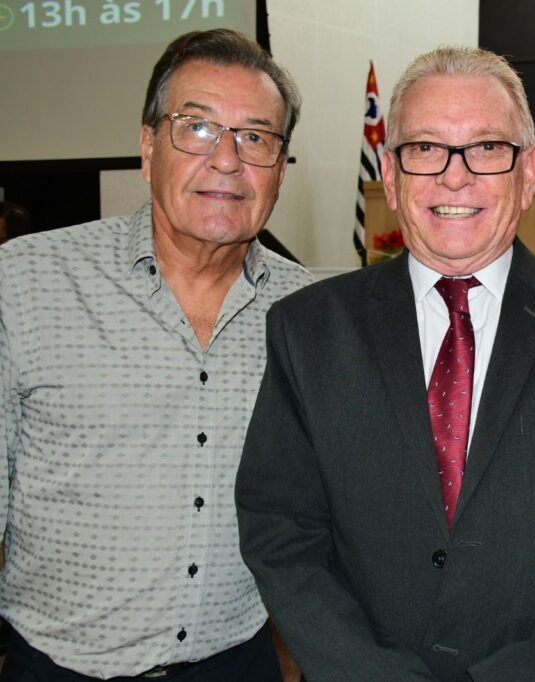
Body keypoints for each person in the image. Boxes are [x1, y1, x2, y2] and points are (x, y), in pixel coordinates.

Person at [235, 45, 535, 682]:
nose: (455, 176)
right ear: (390, 175)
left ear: (528, 174)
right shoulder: (309, 331)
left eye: (487, 148)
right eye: (425, 148)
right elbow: (282, 529)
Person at [0, 29, 311, 681]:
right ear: (148, 147)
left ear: (280, 168)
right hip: (58, 667)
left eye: (256, 137)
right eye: (196, 127)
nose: (227, 160)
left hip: (239, 664)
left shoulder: (311, 316)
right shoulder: (24, 283)